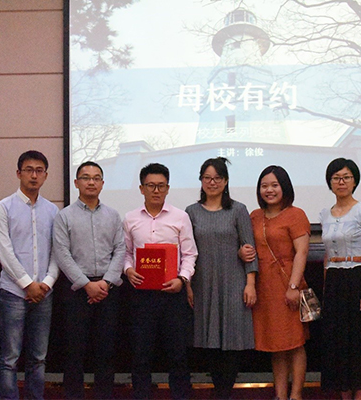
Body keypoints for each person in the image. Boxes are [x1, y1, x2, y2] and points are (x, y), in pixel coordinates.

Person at [123, 163, 198, 400]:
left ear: (167, 188)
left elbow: (190, 254)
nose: (156, 190)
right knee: (140, 354)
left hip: (173, 294)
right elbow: (126, 253)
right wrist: (128, 270)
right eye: (151, 186)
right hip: (141, 295)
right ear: (141, 188)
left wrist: (182, 279)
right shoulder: (130, 218)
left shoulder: (180, 217)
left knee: (177, 354)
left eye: (161, 186)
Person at [185, 157, 258, 399]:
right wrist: (188, 285)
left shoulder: (238, 210)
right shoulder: (191, 212)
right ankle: (218, 392)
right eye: (207, 178)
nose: (212, 182)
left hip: (234, 284)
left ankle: (225, 393)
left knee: (232, 341)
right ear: (201, 181)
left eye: (217, 178)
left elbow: (249, 249)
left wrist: (250, 284)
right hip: (203, 284)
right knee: (209, 341)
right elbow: (186, 252)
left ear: (225, 181)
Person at [53, 161, 125, 399]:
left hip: (108, 291)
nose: (91, 182)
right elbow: (62, 254)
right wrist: (86, 284)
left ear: (102, 183)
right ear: (76, 183)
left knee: (106, 351)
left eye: (96, 178)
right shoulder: (64, 216)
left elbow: (120, 250)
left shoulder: (113, 216)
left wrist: (105, 283)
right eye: (85, 177)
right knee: (74, 351)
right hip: (76, 291)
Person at [0, 150, 59, 400]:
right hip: (12, 293)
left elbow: (58, 252)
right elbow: (4, 252)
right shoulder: (3, 208)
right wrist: (28, 284)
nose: (34, 175)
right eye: (29, 170)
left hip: (44, 294)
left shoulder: (53, 211)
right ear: (18, 173)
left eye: (39, 171)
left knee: (38, 358)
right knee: (9, 358)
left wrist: (46, 283)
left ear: (46, 176)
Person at [319, 157, 361, 400]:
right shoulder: (325, 214)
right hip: (335, 280)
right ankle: (344, 395)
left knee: (359, 340)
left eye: (346, 177)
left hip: (358, 277)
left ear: (355, 181)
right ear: (330, 183)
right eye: (336, 178)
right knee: (337, 341)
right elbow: (327, 255)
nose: (341, 182)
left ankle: (359, 397)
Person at [250, 165, 310, 400]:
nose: (269, 190)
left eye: (274, 185)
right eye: (264, 186)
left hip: (287, 283)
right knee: (275, 344)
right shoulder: (255, 216)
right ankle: (281, 395)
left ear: (284, 187)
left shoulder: (296, 214)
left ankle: (296, 396)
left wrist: (293, 287)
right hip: (264, 287)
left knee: (294, 342)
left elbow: (302, 252)